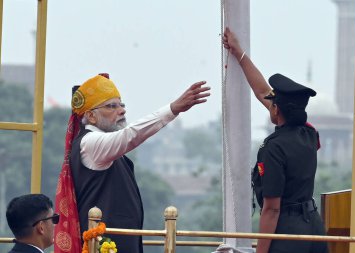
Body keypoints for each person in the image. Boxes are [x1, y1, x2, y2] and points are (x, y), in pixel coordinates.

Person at [54, 73, 210, 253]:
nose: (121, 110)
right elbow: (130, 136)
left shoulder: (106, 145)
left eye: (121, 104)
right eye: (111, 106)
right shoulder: (90, 143)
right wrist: (173, 109)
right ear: (91, 116)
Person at [223, 28, 329, 253]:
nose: (268, 104)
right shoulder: (309, 134)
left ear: (277, 109)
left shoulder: (274, 147)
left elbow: (271, 209)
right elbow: (263, 92)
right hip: (313, 228)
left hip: (287, 232)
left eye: (272, 103)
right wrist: (240, 54)